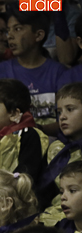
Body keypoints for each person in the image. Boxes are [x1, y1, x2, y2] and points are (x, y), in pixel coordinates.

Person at [0, 10, 66, 135]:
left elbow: (68, 120)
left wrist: (33, 131)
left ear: (38, 35)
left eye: (17, 29)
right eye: (8, 30)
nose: (9, 36)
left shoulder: (59, 73)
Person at [40, 85, 82, 225]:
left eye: (70, 110)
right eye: (59, 112)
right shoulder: (56, 148)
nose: (62, 117)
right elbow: (47, 189)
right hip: (57, 211)